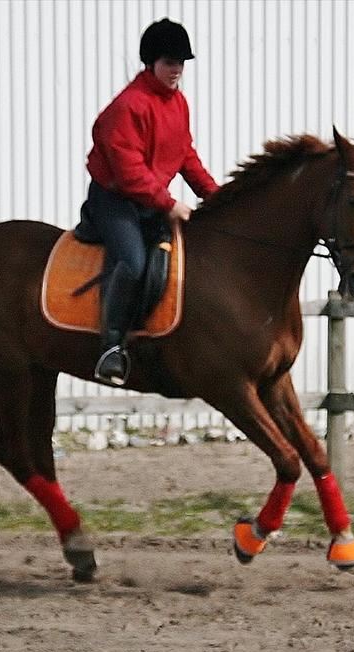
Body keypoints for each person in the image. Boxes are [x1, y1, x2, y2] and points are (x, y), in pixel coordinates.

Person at [75, 17, 219, 385]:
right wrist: (170, 204)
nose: (177, 71)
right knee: (134, 262)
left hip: (150, 201)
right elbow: (130, 173)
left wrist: (216, 197)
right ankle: (111, 347)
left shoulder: (179, 104)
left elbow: (185, 155)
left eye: (181, 64)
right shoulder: (128, 107)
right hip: (115, 201)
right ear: (152, 62)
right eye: (170, 63)